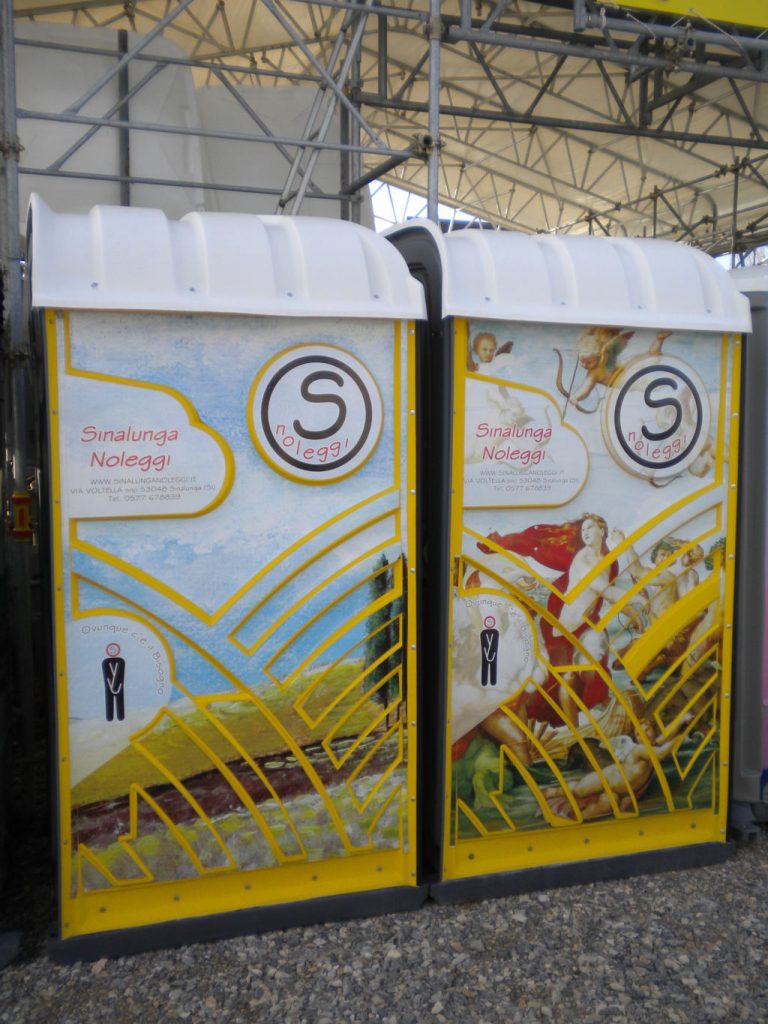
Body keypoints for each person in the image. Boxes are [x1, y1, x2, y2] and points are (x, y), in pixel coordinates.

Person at [478, 514, 625, 726]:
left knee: (579, 671)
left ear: (602, 531)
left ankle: (591, 713)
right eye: (584, 529)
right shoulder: (584, 558)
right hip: (559, 624)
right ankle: (575, 727)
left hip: (577, 624)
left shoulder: (604, 559)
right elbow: (603, 589)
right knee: (565, 677)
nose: (585, 533)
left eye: (590, 528)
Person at [542, 713, 693, 821]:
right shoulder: (640, 750)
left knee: (606, 806)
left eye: (646, 730)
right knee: (579, 790)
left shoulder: (652, 746)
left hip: (620, 791)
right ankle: (553, 792)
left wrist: (681, 721)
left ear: (655, 731)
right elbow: (661, 754)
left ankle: (577, 818)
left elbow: (665, 736)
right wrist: (681, 736)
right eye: (638, 733)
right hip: (606, 779)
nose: (643, 734)